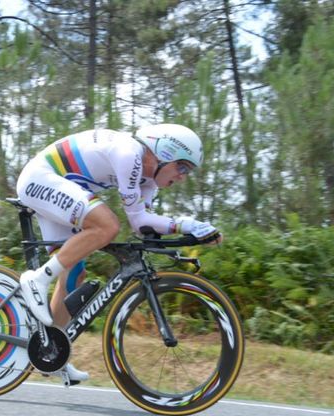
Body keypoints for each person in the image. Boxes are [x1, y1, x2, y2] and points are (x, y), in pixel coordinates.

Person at [15, 124, 222, 384]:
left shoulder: (149, 182)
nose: (182, 177)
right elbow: (131, 220)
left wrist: (192, 229)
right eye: (183, 168)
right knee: (107, 225)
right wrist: (188, 224)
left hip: (62, 185)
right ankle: (38, 278)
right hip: (42, 178)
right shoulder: (129, 154)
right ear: (165, 153)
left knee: (74, 274)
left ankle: (50, 351)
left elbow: (142, 223)